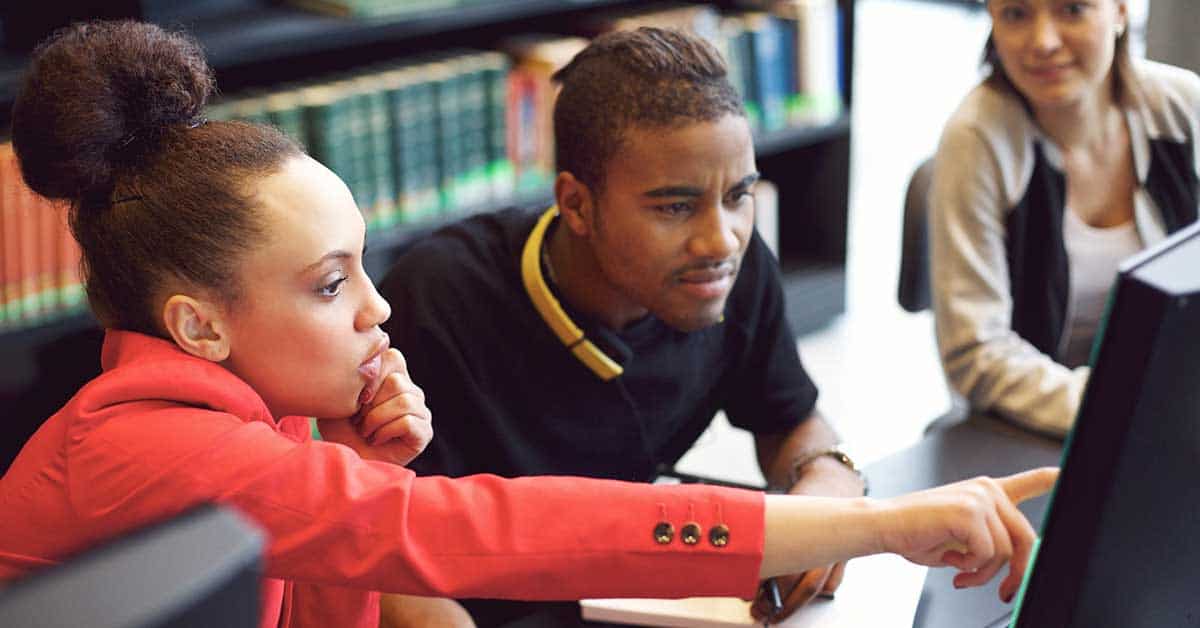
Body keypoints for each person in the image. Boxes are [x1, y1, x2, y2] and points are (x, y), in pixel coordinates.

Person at [0, 20, 1055, 628]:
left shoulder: (251, 421)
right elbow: (502, 527)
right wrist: (884, 525)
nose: (378, 305)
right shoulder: (161, 446)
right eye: (330, 286)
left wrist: (365, 470)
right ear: (199, 324)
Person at [380, 27, 859, 625]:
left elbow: (790, 419)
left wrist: (828, 481)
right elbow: (381, 548)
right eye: (674, 206)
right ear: (576, 205)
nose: (721, 239)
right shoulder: (437, 299)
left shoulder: (733, 266)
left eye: (738, 195)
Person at [930, 0, 1200, 436]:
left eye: (1072, 10)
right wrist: (1119, 408)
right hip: (1034, 429)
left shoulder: (1183, 106)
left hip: (1172, 408)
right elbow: (975, 353)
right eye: (1016, 14)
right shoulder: (976, 140)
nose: (1044, 42)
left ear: (1120, 11)